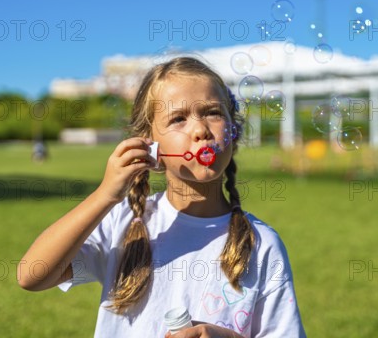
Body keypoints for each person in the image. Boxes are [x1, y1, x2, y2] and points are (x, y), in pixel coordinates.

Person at [18, 57, 306, 337]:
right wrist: (104, 196)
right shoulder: (122, 223)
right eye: (178, 118)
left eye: (213, 113)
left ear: (234, 130)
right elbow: (33, 275)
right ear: (149, 145)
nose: (200, 130)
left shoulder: (262, 244)